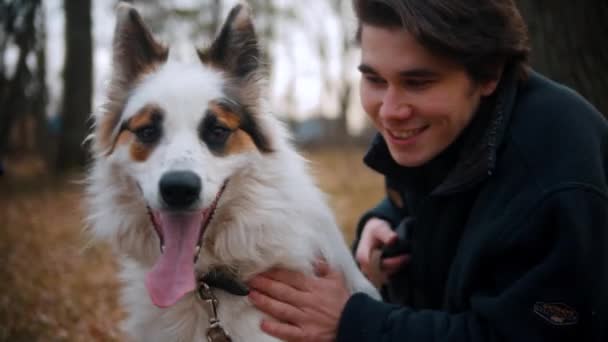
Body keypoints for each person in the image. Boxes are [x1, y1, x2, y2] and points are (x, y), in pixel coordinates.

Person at [247, 0, 608, 341]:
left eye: (417, 83)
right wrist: (386, 221)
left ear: (489, 74)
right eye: (374, 80)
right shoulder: (445, 131)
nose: (389, 111)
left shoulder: (556, 182)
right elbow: (438, 202)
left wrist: (352, 321)